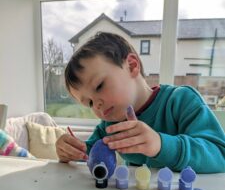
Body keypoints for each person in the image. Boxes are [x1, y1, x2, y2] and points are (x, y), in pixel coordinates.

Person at [56, 32, 225, 173]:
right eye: (90, 103)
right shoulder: (110, 125)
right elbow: (91, 153)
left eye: (99, 86)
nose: (97, 105)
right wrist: (72, 151)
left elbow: (220, 156)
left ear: (131, 65)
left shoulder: (181, 101)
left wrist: (161, 145)